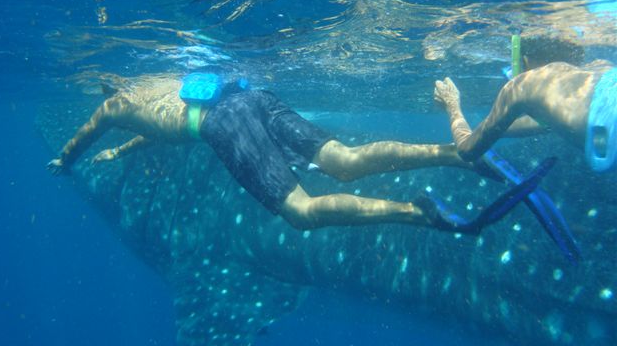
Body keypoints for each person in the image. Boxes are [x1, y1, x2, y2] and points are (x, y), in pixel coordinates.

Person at [47, 74, 505, 233]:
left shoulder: (112, 106)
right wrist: (124, 152)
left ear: (109, 91)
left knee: (301, 211)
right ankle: (455, 152)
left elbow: (83, 136)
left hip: (222, 124)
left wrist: (65, 161)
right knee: (342, 160)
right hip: (253, 98)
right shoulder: (159, 84)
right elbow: (160, 130)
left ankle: (416, 213)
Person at [434, 36, 616, 172]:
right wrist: (486, 130)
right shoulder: (599, 67)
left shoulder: (523, 83)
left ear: (524, 59)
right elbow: (542, 124)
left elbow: (468, 151)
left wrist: (452, 104)